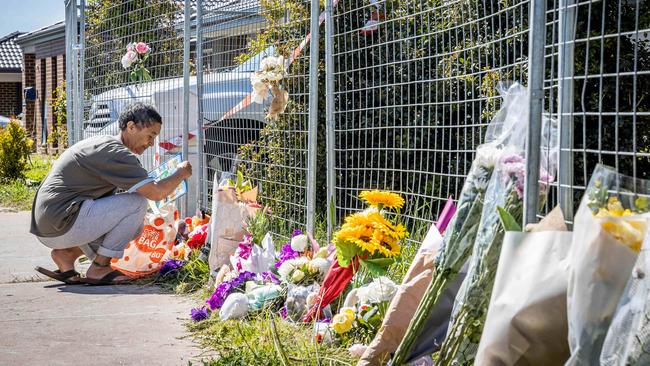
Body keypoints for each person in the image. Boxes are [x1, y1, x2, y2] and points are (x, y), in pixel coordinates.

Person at [30, 102, 192, 285]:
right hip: (60, 222)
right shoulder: (116, 153)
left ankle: (67, 254)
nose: (151, 143)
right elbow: (155, 193)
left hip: (50, 224)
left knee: (135, 222)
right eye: (150, 135)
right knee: (137, 204)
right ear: (131, 127)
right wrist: (181, 173)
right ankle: (99, 267)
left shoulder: (106, 145)